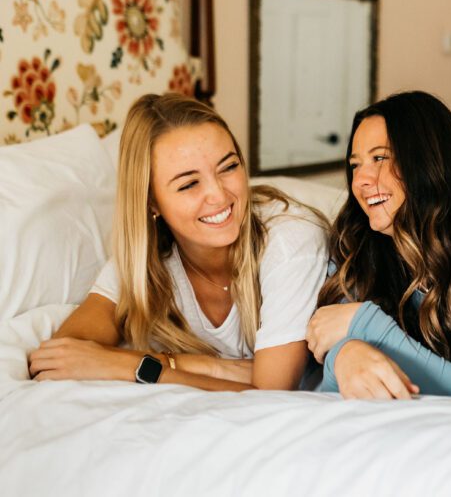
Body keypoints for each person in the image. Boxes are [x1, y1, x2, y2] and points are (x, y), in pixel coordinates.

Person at [28, 93, 329, 391]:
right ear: (151, 202)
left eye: (228, 167)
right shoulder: (147, 258)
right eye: (188, 184)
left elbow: (270, 394)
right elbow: (63, 354)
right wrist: (216, 366)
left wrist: (141, 366)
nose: (219, 195)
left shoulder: (291, 239)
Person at [304, 91, 451, 403]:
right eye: (355, 164)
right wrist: (346, 354)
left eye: (379, 158)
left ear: (428, 163)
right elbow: (319, 384)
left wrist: (363, 324)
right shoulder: (355, 244)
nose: (361, 180)